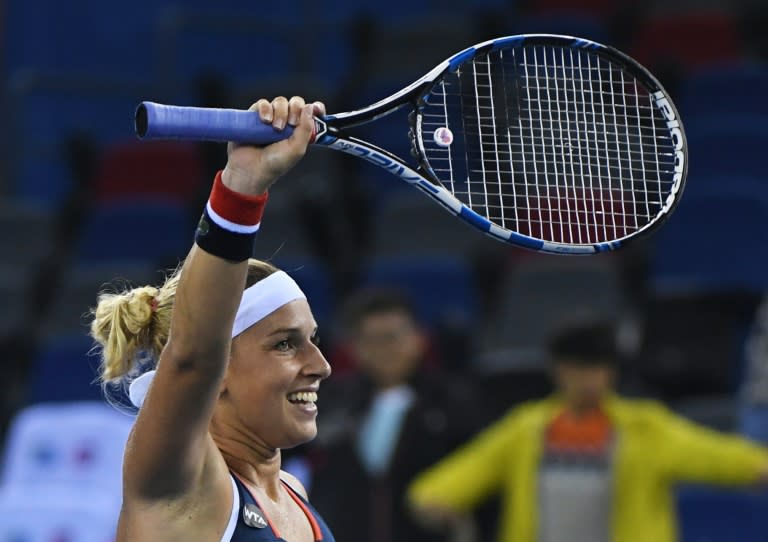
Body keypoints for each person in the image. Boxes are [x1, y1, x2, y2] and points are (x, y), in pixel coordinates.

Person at [89, 96, 336, 541]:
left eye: (312, 339)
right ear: (218, 367)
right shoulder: (182, 483)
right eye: (284, 343)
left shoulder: (293, 492)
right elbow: (192, 355)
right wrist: (240, 187)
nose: (321, 365)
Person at [408, 321, 768, 542]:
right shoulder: (527, 428)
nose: (588, 380)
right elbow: (470, 468)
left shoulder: (645, 427)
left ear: (610, 372)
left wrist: (758, 465)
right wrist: (434, 496)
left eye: (597, 369)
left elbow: (712, 454)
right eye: (578, 369)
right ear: (558, 371)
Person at [307, 289, 483, 542]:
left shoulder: (454, 403)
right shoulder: (331, 402)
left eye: (392, 337)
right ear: (355, 348)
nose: (384, 349)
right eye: (371, 339)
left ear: (419, 339)